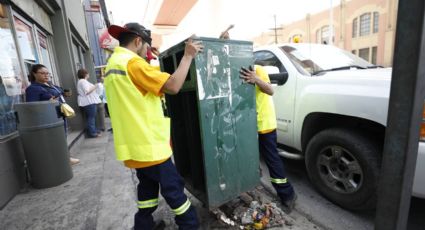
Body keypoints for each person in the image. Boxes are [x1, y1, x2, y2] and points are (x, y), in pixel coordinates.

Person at [104, 22, 203, 230]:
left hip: (134, 146)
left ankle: (143, 226)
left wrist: (150, 57)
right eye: (146, 46)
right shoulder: (133, 64)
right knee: (174, 190)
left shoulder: (114, 63)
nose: (147, 51)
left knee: (147, 189)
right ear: (138, 41)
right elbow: (174, 86)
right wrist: (187, 56)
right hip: (150, 145)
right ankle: (190, 225)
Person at [240, 65, 297, 212]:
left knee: (272, 160)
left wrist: (256, 79)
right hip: (247, 125)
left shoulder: (257, 69)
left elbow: (270, 90)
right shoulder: (234, 69)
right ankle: (254, 187)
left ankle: (288, 195)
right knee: (250, 158)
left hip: (264, 124)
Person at [25, 64, 80, 165]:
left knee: (62, 137)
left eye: (47, 73)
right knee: (56, 140)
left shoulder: (49, 84)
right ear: (34, 74)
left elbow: (60, 91)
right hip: (49, 119)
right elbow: (31, 107)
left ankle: (65, 158)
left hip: (59, 115)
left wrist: (64, 93)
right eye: (42, 73)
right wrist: (47, 103)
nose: (46, 75)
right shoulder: (33, 88)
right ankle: (63, 160)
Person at [76, 68, 101, 138]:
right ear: (85, 74)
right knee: (91, 118)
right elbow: (87, 91)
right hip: (89, 102)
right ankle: (92, 133)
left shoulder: (81, 81)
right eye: (87, 73)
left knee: (91, 117)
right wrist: (95, 86)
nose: (88, 74)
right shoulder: (83, 81)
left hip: (88, 102)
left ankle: (93, 131)